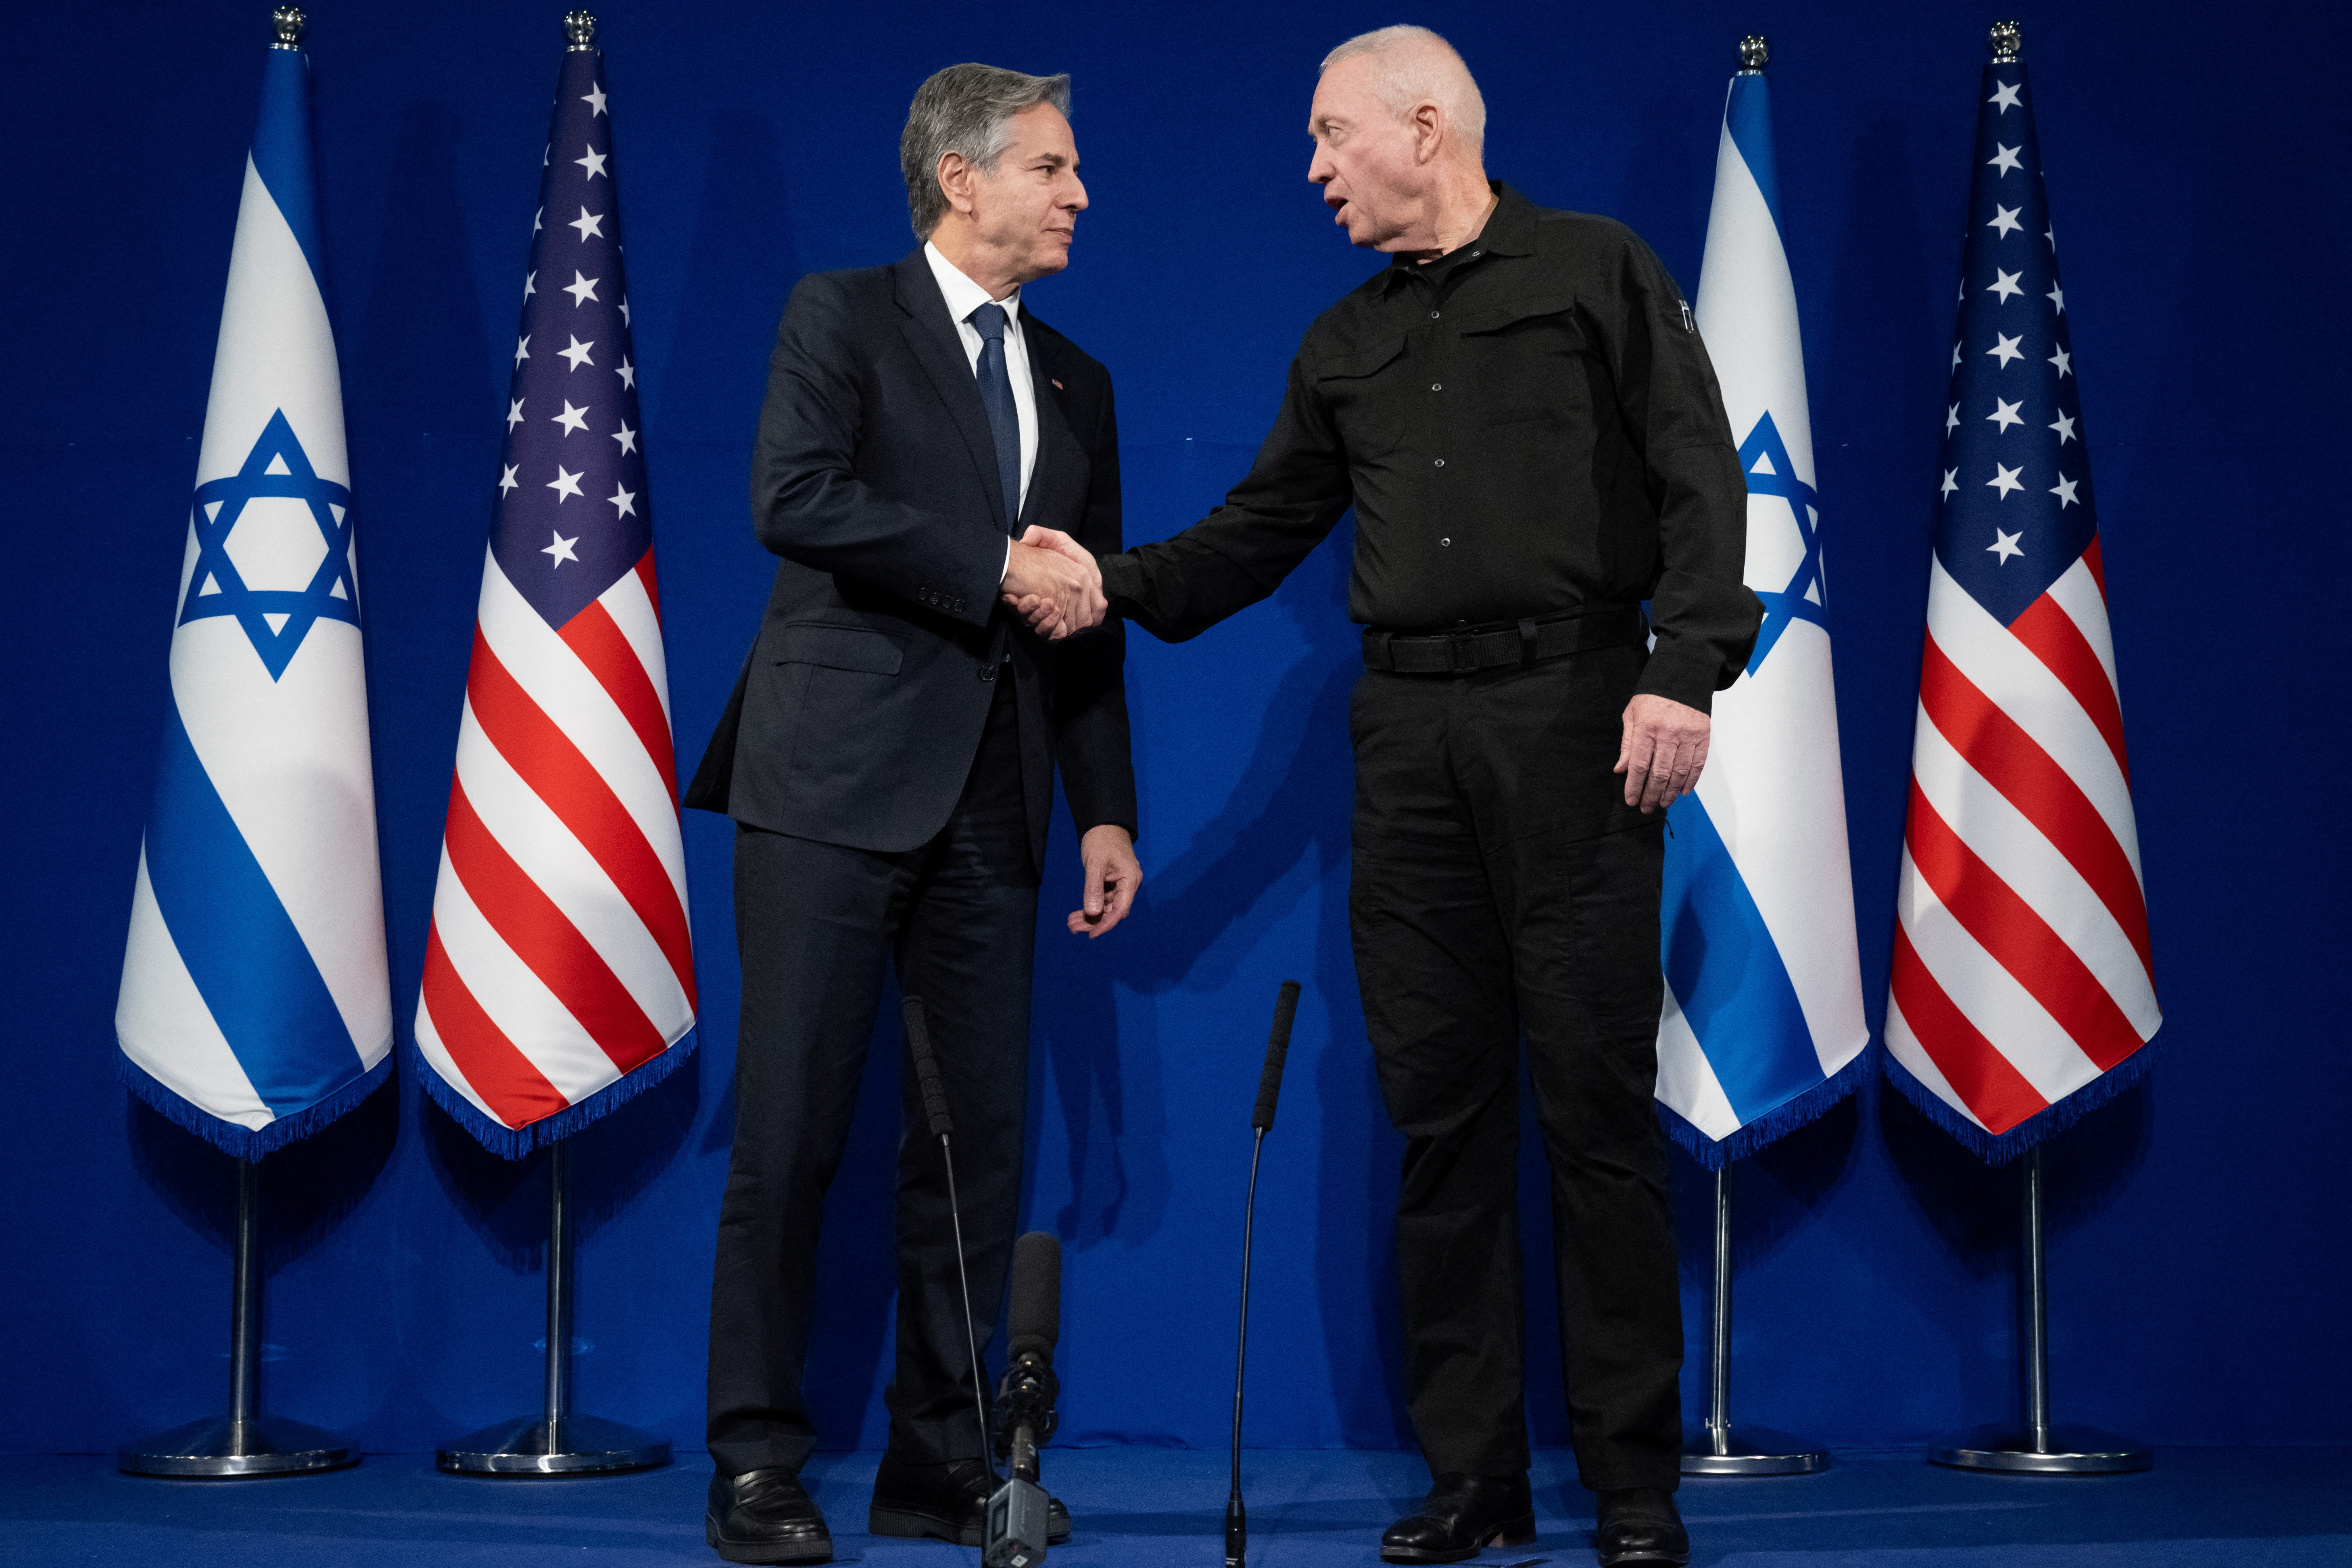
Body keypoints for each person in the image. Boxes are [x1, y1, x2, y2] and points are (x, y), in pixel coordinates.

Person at [1014, 25, 1758, 1568]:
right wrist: (1112, 584)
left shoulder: (1597, 271)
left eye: (1330, 135)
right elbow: (1258, 532)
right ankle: (1472, 1480)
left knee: (1595, 1116)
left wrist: (1684, 669)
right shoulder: (1342, 341)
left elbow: (1700, 473)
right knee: (1440, 1115)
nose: (1313, 169)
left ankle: (1633, 1488)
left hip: (1577, 716)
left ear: (1426, 128)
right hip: (1409, 738)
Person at [683, 62, 1140, 1566]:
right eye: (1053, 168)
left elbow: (1087, 616)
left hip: (999, 802)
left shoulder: (1078, 381)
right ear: (962, 178)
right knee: (794, 1130)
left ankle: (939, 1462)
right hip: (828, 784)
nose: (1079, 194)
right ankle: (757, 1460)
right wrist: (997, 562)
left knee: (971, 1149)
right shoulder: (841, 316)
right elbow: (795, 498)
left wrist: (1105, 810)